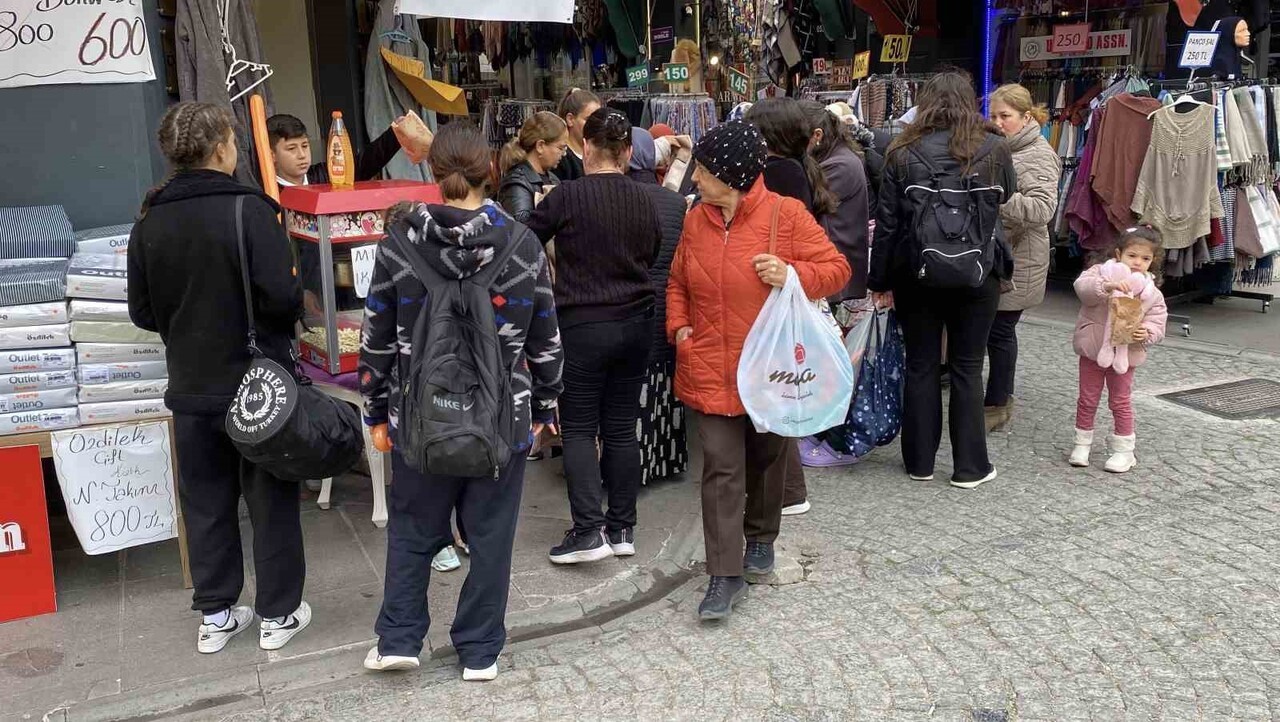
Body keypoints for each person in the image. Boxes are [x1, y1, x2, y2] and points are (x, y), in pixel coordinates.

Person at [359, 122, 563, 679]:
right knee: (492, 534)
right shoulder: (521, 245)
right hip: (504, 418)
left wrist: (376, 410)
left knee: (412, 526)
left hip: (416, 419)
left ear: (432, 169)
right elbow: (545, 337)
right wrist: (544, 407)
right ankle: (479, 651)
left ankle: (399, 639)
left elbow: (376, 338)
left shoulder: (399, 243)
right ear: (489, 171)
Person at [128, 102, 311, 655]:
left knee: (206, 502)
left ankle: (217, 614)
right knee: (270, 499)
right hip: (256, 388)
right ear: (221, 149)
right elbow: (282, 299)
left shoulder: (150, 218)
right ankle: (278, 616)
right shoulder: (250, 212)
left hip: (190, 384)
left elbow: (142, 313)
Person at [667, 121, 850, 620]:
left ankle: (761, 535)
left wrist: (794, 273)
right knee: (722, 468)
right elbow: (678, 282)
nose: (695, 179)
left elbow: (838, 268)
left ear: (733, 176)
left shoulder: (786, 215)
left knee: (769, 458)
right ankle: (723, 576)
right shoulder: (694, 220)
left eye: (703, 171)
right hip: (710, 364)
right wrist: (680, 327)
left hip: (771, 369)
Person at [868, 71, 1018, 490]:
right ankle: (970, 467)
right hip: (978, 271)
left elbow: (888, 225)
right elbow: (1005, 197)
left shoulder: (901, 150)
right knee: (969, 368)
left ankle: (919, 462)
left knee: (921, 366)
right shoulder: (994, 147)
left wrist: (878, 280)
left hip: (917, 271)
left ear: (926, 101)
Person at [528, 109, 661, 565]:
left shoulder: (567, 196)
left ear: (584, 148)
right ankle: (622, 527)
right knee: (622, 427)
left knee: (580, 429)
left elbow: (524, 240)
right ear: (626, 152)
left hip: (584, 323)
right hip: (638, 321)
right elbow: (653, 251)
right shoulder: (648, 197)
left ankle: (588, 531)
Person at [745, 97, 839, 516]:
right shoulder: (796, 166)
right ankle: (788, 490)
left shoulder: (778, 172)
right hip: (782, 288)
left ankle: (785, 492)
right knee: (776, 394)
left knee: (772, 396)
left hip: (775, 288)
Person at [794, 100, 873, 469]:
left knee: (828, 358)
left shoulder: (839, 164)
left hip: (836, 270)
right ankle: (821, 428)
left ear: (818, 135)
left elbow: (807, 205)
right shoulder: (841, 158)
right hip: (836, 264)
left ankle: (829, 432)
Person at [984, 84, 1062, 432]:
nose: (999, 122)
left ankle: (998, 403)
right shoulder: (996, 148)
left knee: (1000, 332)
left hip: (1020, 258)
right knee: (987, 330)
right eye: (995, 115)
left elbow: (1043, 209)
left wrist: (996, 199)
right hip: (994, 253)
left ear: (1026, 117)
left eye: (1006, 116)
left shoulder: (1039, 154)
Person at [1069, 228, 1168, 474]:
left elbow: (1158, 320)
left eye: (1145, 259)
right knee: (1088, 398)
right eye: (1132, 255)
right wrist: (1108, 286)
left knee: (1120, 401)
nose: (1137, 263)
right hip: (1093, 349)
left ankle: (1124, 450)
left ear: (1152, 262)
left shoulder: (1150, 292)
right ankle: (1082, 443)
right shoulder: (1100, 273)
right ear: (1118, 253)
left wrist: (1146, 332)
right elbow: (1083, 289)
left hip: (1126, 353)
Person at [628, 127, 691, 484]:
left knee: (630, 388)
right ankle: (665, 460)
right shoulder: (673, 202)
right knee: (664, 384)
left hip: (627, 307)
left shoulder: (618, 196)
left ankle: (630, 466)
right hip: (665, 304)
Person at [267, 113, 409, 187]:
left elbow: (363, 164)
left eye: (305, 146)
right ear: (272, 155)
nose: (302, 155)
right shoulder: (268, 193)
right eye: (292, 148)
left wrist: (395, 134)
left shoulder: (325, 176)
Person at [498, 111, 569, 222]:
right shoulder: (516, 183)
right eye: (561, 148)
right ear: (540, 146)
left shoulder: (553, 179)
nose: (564, 154)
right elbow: (521, 228)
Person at [553, 89, 602, 182]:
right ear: (570, 119)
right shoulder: (561, 158)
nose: (596, 124)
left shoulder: (600, 151)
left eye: (599, 119)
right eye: (589, 119)